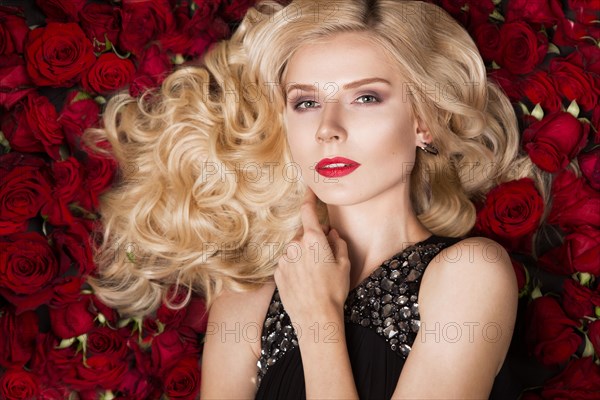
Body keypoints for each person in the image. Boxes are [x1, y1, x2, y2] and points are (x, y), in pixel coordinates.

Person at [84, 0, 549, 398]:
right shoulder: (244, 303)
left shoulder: (470, 274)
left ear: (423, 122)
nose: (329, 128)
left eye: (365, 98)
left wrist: (319, 321)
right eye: (306, 103)